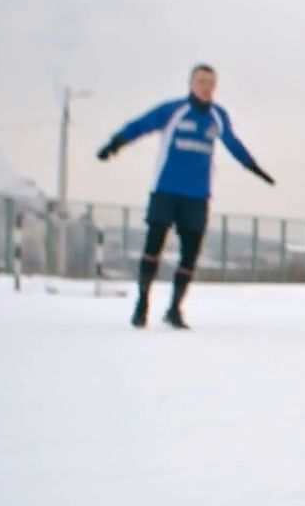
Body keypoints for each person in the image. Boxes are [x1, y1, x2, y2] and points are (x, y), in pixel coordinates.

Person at [95, 63, 273, 330]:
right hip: (166, 190)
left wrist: (253, 167)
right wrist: (115, 144)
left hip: (197, 196)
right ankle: (142, 304)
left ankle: (175, 309)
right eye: (201, 82)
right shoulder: (173, 110)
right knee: (153, 247)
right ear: (191, 83)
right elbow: (141, 125)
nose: (206, 87)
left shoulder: (217, 115)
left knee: (190, 253)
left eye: (211, 83)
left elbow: (232, 143)